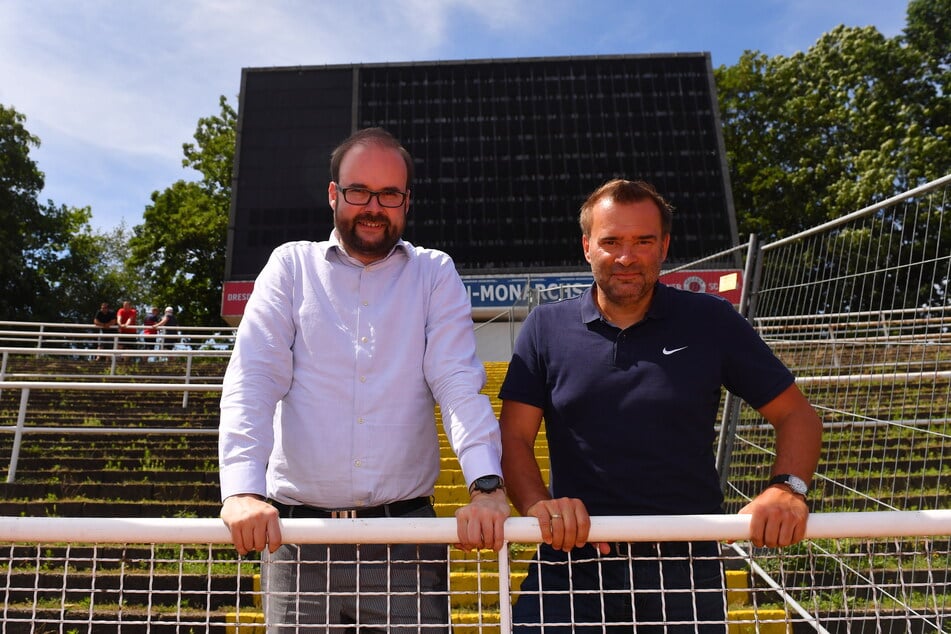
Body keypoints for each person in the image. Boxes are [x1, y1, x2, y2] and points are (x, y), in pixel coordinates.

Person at [218, 127, 510, 632]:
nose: (373, 206)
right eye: (359, 191)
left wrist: (486, 486)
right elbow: (254, 378)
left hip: (406, 541)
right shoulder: (290, 266)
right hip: (298, 537)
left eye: (389, 194)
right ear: (334, 194)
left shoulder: (434, 272)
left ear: (406, 201)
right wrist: (242, 490)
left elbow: (458, 380)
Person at [499, 179, 823, 633]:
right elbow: (513, 437)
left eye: (643, 241)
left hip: (685, 572)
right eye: (611, 241)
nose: (626, 257)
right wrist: (538, 505)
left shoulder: (710, 321)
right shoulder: (545, 327)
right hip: (570, 566)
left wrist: (787, 488)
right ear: (587, 246)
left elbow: (797, 415)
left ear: (664, 246)